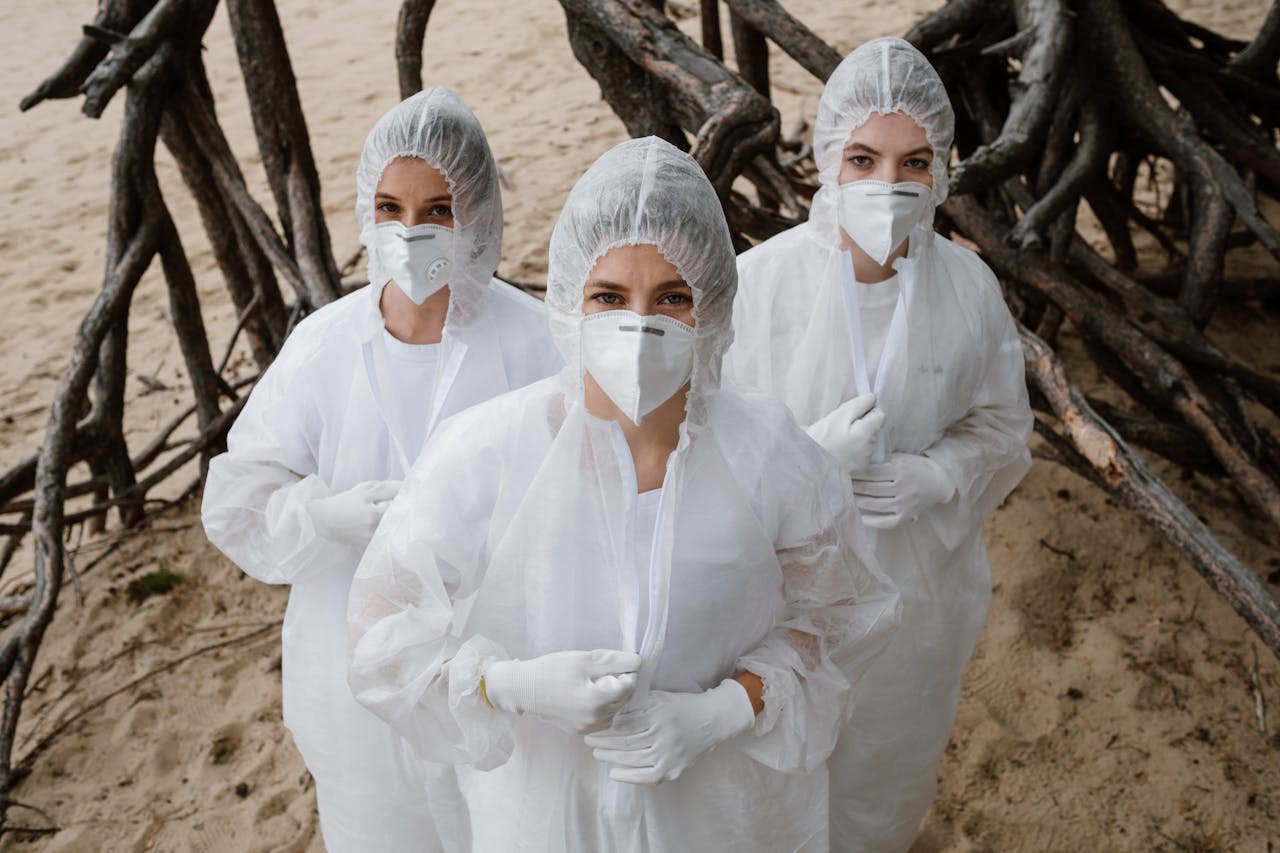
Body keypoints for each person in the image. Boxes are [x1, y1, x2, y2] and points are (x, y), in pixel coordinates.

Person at [347, 136, 900, 853]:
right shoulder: (485, 454)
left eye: (672, 298)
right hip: (545, 820)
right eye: (609, 297)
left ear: (714, 310)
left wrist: (727, 708)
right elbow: (381, 632)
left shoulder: (767, 451)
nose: (639, 325)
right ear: (570, 303)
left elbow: (839, 614)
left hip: (725, 814)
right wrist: (505, 684)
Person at [200, 86, 562, 852]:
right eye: (391, 207)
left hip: (499, 674)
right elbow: (238, 495)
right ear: (366, 207)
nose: (410, 230)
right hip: (352, 682)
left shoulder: (537, 343)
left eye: (438, 209)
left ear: (477, 213)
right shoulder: (325, 348)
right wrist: (320, 514)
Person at [723, 37, 1034, 852]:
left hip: (915, 598)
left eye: (914, 162)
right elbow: (701, 450)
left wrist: (944, 473)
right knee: (773, 778)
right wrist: (804, 463)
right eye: (863, 158)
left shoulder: (967, 289)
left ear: (942, 169)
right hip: (778, 606)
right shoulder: (762, 288)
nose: (888, 186)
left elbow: (1002, 423)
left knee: (885, 776)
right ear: (827, 157)